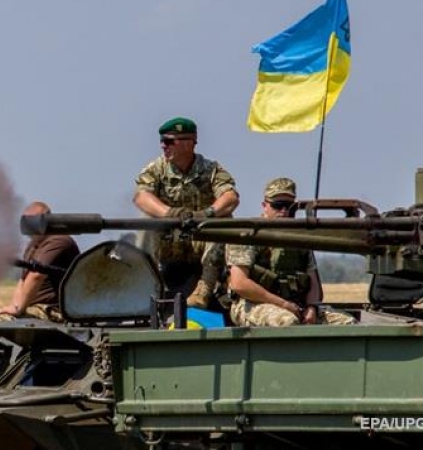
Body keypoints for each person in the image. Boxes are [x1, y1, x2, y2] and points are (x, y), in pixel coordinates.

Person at [134, 116, 239, 309]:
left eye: (169, 141)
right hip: (169, 240)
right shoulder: (156, 169)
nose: (163, 146)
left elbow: (230, 198)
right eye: (162, 141)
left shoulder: (211, 170)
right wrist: (170, 213)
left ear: (189, 142)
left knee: (224, 219)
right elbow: (141, 197)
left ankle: (204, 289)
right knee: (147, 219)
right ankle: (146, 286)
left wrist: (206, 214)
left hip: (200, 239)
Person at [226, 177, 356, 326]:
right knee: (287, 321)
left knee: (347, 322)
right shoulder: (249, 235)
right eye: (277, 205)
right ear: (265, 206)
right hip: (251, 303)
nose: (284, 211)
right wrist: (283, 304)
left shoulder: (299, 237)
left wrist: (312, 308)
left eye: (289, 206)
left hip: (295, 304)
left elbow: (314, 283)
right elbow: (240, 284)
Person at [0, 201, 80, 322]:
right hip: (35, 308)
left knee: (4, 321)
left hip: (54, 309)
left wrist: (18, 309)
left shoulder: (59, 240)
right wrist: (15, 307)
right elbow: (23, 281)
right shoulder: (33, 245)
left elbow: (37, 275)